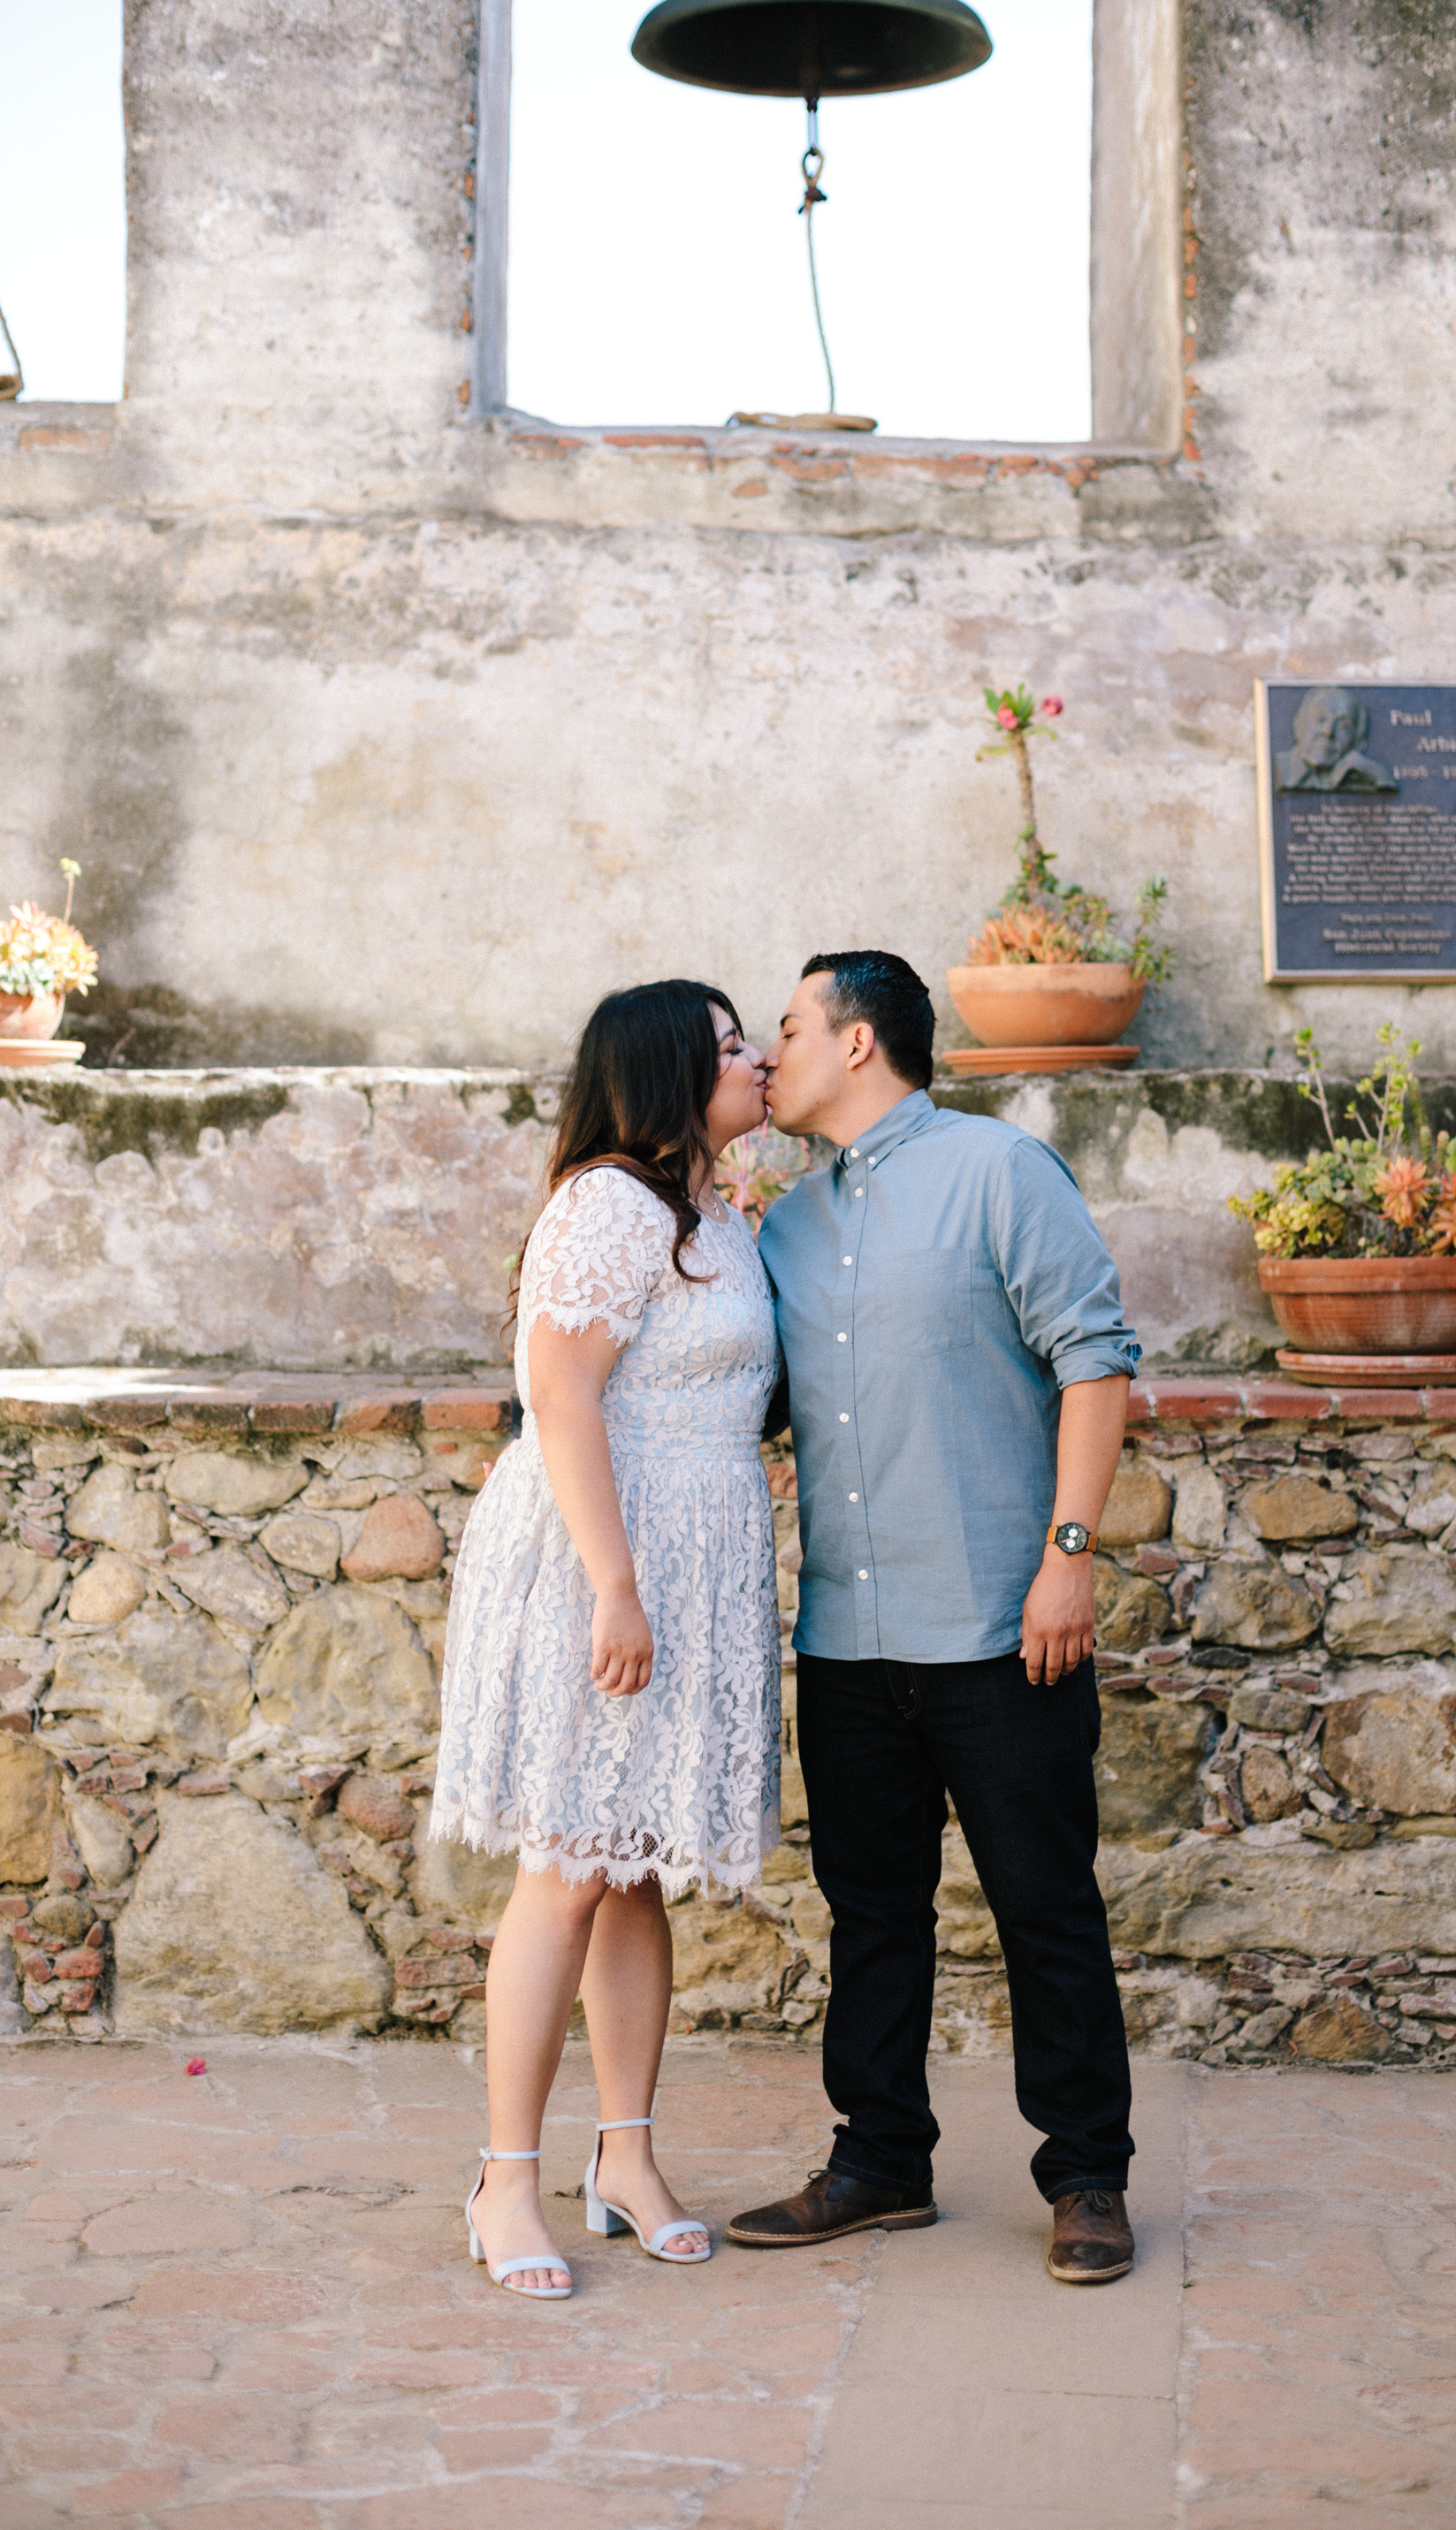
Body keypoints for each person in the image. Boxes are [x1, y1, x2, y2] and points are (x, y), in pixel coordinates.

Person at [729, 950, 1143, 2287]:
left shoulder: (999, 1173)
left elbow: (1094, 1360)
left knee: (1045, 1906)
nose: (771, 1053)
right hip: (846, 1634)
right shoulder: (780, 1229)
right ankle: (879, 2163)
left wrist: (1068, 1556)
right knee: (871, 1913)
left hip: (999, 1624)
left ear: (858, 1042)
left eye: (787, 1028)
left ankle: (1087, 2174)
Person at [430, 980, 780, 2298]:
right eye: (730, 1044)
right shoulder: (608, 1207)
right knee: (570, 1861)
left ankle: (624, 2161)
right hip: (599, 1561)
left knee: (633, 1868)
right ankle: (503, 2182)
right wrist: (615, 1586)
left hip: (690, 1566)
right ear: (666, 1074)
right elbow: (558, 1393)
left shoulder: (719, 1217)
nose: (754, 1061)